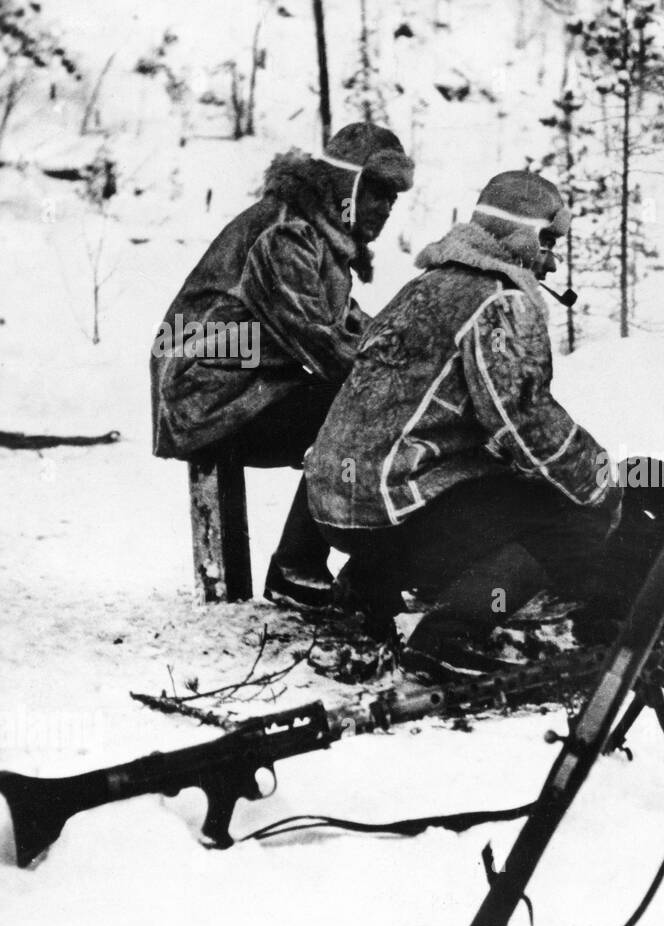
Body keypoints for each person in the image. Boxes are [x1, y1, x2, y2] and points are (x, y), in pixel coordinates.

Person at [306, 170, 621, 655]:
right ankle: (451, 634)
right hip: (396, 509)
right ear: (522, 234)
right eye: (549, 241)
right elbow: (524, 421)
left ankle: (366, 591)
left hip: (337, 511)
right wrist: (597, 477)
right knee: (568, 521)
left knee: (492, 488)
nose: (552, 263)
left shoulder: (424, 286)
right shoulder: (500, 300)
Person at [150, 123, 414, 608]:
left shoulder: (316, 235)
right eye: (377, 191)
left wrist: (412, 351)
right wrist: (404, 379)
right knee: (360, 406)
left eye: (394, 196)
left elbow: (347, 325)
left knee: (373, 404)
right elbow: (319, 340)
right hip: (204, 393)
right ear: (346, 184)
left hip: (237, 384)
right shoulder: (286, 235)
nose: (387, 206)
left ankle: (340, 565)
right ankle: (297, 566)